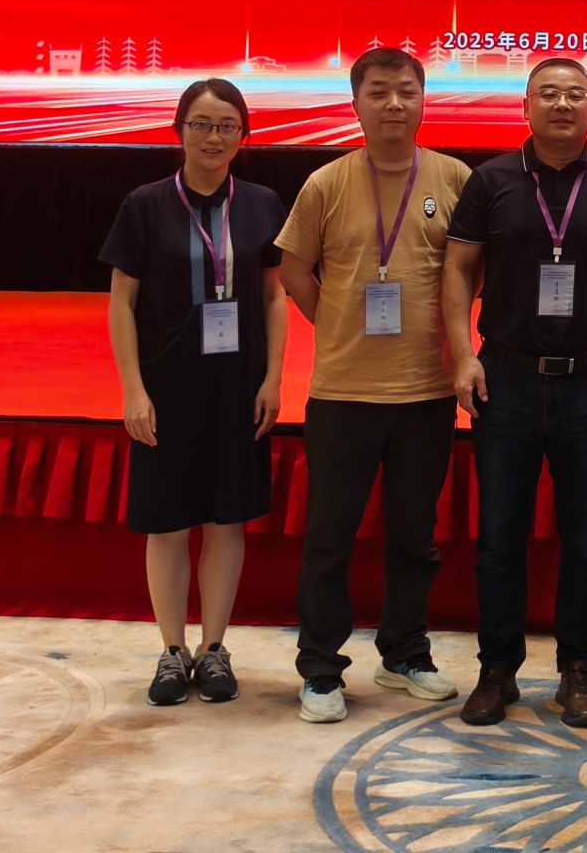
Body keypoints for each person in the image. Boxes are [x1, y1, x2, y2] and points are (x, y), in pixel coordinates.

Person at [440, 58, 587, 729]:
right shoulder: (492, 180)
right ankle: (497, 670)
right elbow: (458, 270)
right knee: (499, 536)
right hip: (505, 379)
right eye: (548, 94)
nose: (562, 104)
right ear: (525, 106)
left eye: (575, 95)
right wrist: (463, 356)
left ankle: (578, 670)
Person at [276, 47, 472, 724]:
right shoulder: (325, 182)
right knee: (329, 538)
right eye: (379, 91)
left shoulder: (454, 178)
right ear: (356, 103)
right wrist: (334, 321)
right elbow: (295, 271)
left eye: (406, 90)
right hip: (342, 393)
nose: (394, 103)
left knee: (415, 536)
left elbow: (472, 272)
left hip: (426, 392)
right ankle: (320, 668)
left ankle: (405, 654)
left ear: (423, 100)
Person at [102, 78, 288, 707]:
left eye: (227, 126)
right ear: (179, 129)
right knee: (167, 523)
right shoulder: (145, 205)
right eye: (202, 124)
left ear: (243, 135)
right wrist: (133, 390)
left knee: (226, 519)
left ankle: (213, 649)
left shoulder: (262, 204)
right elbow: (122, 303)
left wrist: (273, 377)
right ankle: (171, 650)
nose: (214, 137)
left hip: (238, 384)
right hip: (167, 384)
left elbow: (273, 296)